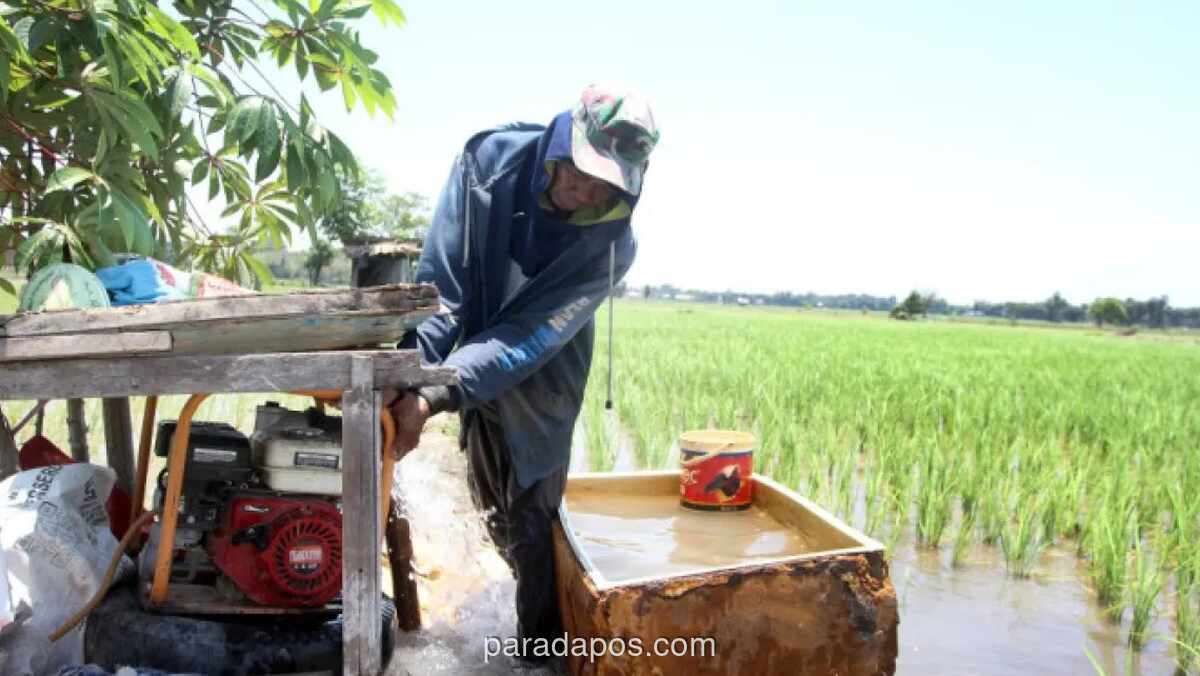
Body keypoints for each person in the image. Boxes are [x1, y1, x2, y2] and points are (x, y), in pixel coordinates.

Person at [390, 84, 659, 648]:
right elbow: (443, 288)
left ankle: (540, 652)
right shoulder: (487, 163)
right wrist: (406, 379)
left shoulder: (614, 243)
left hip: (546, 371)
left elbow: (529, 335)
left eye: (605, 186)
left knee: (534, 528)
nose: (585, 192)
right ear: (563, 142)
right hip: (469, 348)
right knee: (489, 507)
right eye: (580, 171)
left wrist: (433, 395)